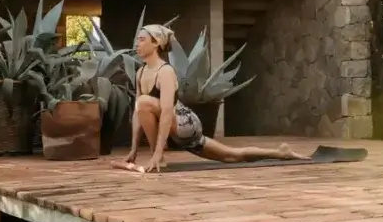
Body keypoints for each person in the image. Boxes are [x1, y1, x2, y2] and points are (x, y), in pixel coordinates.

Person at [119, 24, 308, 173]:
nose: (137, 44)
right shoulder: (141, 72)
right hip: (174, 132)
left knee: (144, 101)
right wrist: (134, 149)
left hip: (186, 124)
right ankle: (280, 153)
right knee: (232, 156)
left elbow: (167, 112)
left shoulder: (165, 72)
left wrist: (158, 153)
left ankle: (157, 156)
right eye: (137, 40)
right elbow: (138, 113)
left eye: (142, 40)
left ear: (156, 43)